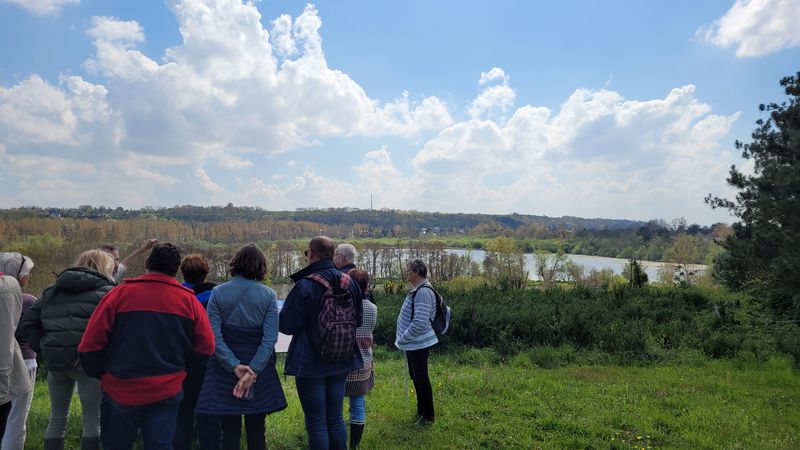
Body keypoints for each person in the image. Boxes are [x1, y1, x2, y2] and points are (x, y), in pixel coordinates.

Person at [78, 242, 215, 450]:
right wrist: (184, 371)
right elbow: (206, 348)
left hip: (119, 390)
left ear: (147, 263)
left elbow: (89, 346)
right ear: (176, 269)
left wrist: (104, 374)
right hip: (166, 390)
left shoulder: (118, 295)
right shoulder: (189, 302)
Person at [16, 250, 115, 450]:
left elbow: (27, 324)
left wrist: (45, 348)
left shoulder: (53, 290)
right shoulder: (108, 292)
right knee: (93, 422)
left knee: (57, 419)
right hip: (89, 364)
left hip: (56, 364)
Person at [195, 244, 287, 450]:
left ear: (235, 263)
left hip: (224, 367)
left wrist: (234, 366)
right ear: (260, 266)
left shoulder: (218, 292)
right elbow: (270, 338)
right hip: (258, 365)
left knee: (230, 428)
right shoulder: (268, 295)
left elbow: (213, 336)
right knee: (256, 427)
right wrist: (253, 371)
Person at [279, 236, 363, 450]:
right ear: (332, 255)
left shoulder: (305, 285)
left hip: (311, 362)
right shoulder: (349, 282)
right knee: (335, 417)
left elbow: (287, 325)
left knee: (316, 421)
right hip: (342, 359)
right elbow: (358, 320)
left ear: (312, 254)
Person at [174, 254, 217, 450]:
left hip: (181, 358)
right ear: (206, 272)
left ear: (182, 272)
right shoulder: (216, 295)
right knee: (207, 405)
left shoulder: (176, 294)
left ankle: (181, 443)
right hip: (208, 357)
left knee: (183, 407)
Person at [395, 259, 438, 426]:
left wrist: (403, 338)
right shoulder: (418, 290)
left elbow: (420, 322)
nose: (406, 272)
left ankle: (428, 416)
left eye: (409, 270)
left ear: (418, 272)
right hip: (414, 343)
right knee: (417, 377)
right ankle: (421, 410)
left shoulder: (423, 292)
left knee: (421, 378)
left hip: (419, 343)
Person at [0, 254, 33, 445]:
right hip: (10, 370)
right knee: (14, 421)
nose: (27, 278)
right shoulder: (8, 290)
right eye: (27, 273)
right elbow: (4, 342)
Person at [343, 270, 376, 450]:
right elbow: (368, 335)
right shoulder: (372, 307)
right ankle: (354, 445)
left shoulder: (343, 306)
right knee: (358, 403)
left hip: (342, 362)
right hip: (363, 361)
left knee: (334, 406)